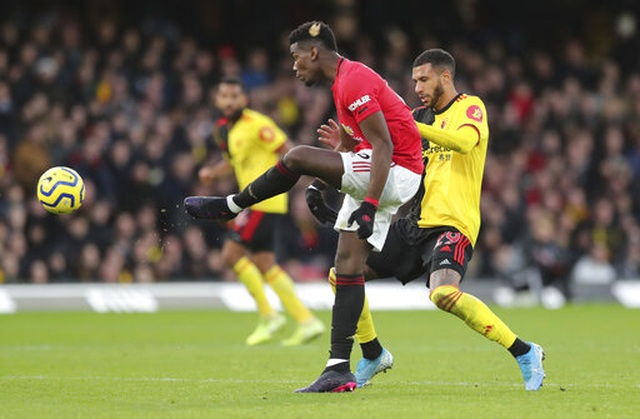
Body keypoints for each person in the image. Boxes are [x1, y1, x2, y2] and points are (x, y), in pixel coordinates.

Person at [184, 21, 424, 392]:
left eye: (296, 57)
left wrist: (369, 203)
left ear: (314, 52)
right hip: (386, 169)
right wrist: (324, 180)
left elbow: (384, 148)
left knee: (296, 156)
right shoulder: (344, 84)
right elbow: (360, 151)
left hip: (397, 169)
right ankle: (342, 366)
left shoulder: (354, 81)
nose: (294, 66)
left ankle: (231, 204)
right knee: (346, 266)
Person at [309, 48, 546, 391]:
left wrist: (412, 126)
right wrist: (344, 152)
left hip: (453, 224)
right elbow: (378, 151)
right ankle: (373, 352)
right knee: (342, 274)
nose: (417, 86)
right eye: (414, 80)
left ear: (445, 77)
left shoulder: (470, 107)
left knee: (443, 293)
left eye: (424, 79)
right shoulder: (417, 115)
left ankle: (525, 352)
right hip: (413, 224)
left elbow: (464, 142)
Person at [195, 77, 325, 346]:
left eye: (235, 96)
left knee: (231, 254)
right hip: (254, 203)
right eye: (225, 97)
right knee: (265, 264)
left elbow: (288, 151)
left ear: (244, 99)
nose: (230, 102)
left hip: (262, 201)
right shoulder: (223, 130)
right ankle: (306, 321)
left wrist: (285, 182)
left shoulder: (258, 124)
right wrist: (213, 173)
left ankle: (270, 316)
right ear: (218, 101)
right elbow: (233, 162)